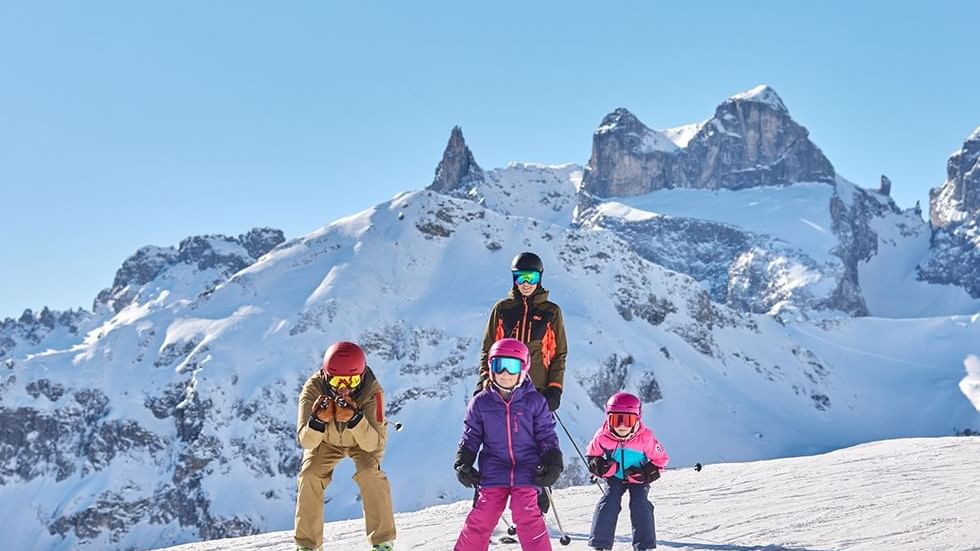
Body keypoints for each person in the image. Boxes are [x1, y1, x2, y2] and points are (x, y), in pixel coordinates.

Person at [454, 338, 564, 551]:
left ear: (523, 369)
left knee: (526, 514)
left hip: (528, 469)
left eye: (511, 366)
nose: (504, 373)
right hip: (494, 469)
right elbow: (471, 436)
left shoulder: (534, 402)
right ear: (491, 368)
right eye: (498, 365)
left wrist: (553, 462)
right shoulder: (480, 403)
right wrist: (463, 463)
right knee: (482, 517)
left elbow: (546, 435)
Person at [294, 341, 396, 551]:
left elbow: (372, 443)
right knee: (310, 475)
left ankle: (383, 542)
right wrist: (317, 422)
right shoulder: (312, 388)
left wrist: (355, 419)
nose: (345, 388)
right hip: (326, 440)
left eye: (352, 380)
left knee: (370, 474)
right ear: (326, 375)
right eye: (338, 381)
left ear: (362, 375)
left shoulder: (372, 390)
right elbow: (306, 441)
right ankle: (308, 545)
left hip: (363, 439)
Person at [478, 252, 568, 413]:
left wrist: (555, 389)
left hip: (537, 390)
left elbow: (558, 354)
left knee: (535, 434)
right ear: (514, 279)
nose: (526, 283)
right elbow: (489, 348)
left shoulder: (550, 312)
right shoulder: (503, 309)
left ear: (539, 278)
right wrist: (484, 379)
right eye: (521, 277)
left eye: (531, 278)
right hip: (504, 387)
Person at [585, 392, 669, 551]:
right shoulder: (602, 436)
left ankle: (644, 546)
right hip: (614, 477)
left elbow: (661, 460)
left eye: (628, 420)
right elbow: (592, 454)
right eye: (616, 420)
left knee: (640, 504)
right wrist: (599, 466)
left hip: (637, 478)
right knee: (609, 502)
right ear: (608, 418)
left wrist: (646, 474)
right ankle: (600, 544)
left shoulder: (645, 437)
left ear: (637, 419)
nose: (622, 426)